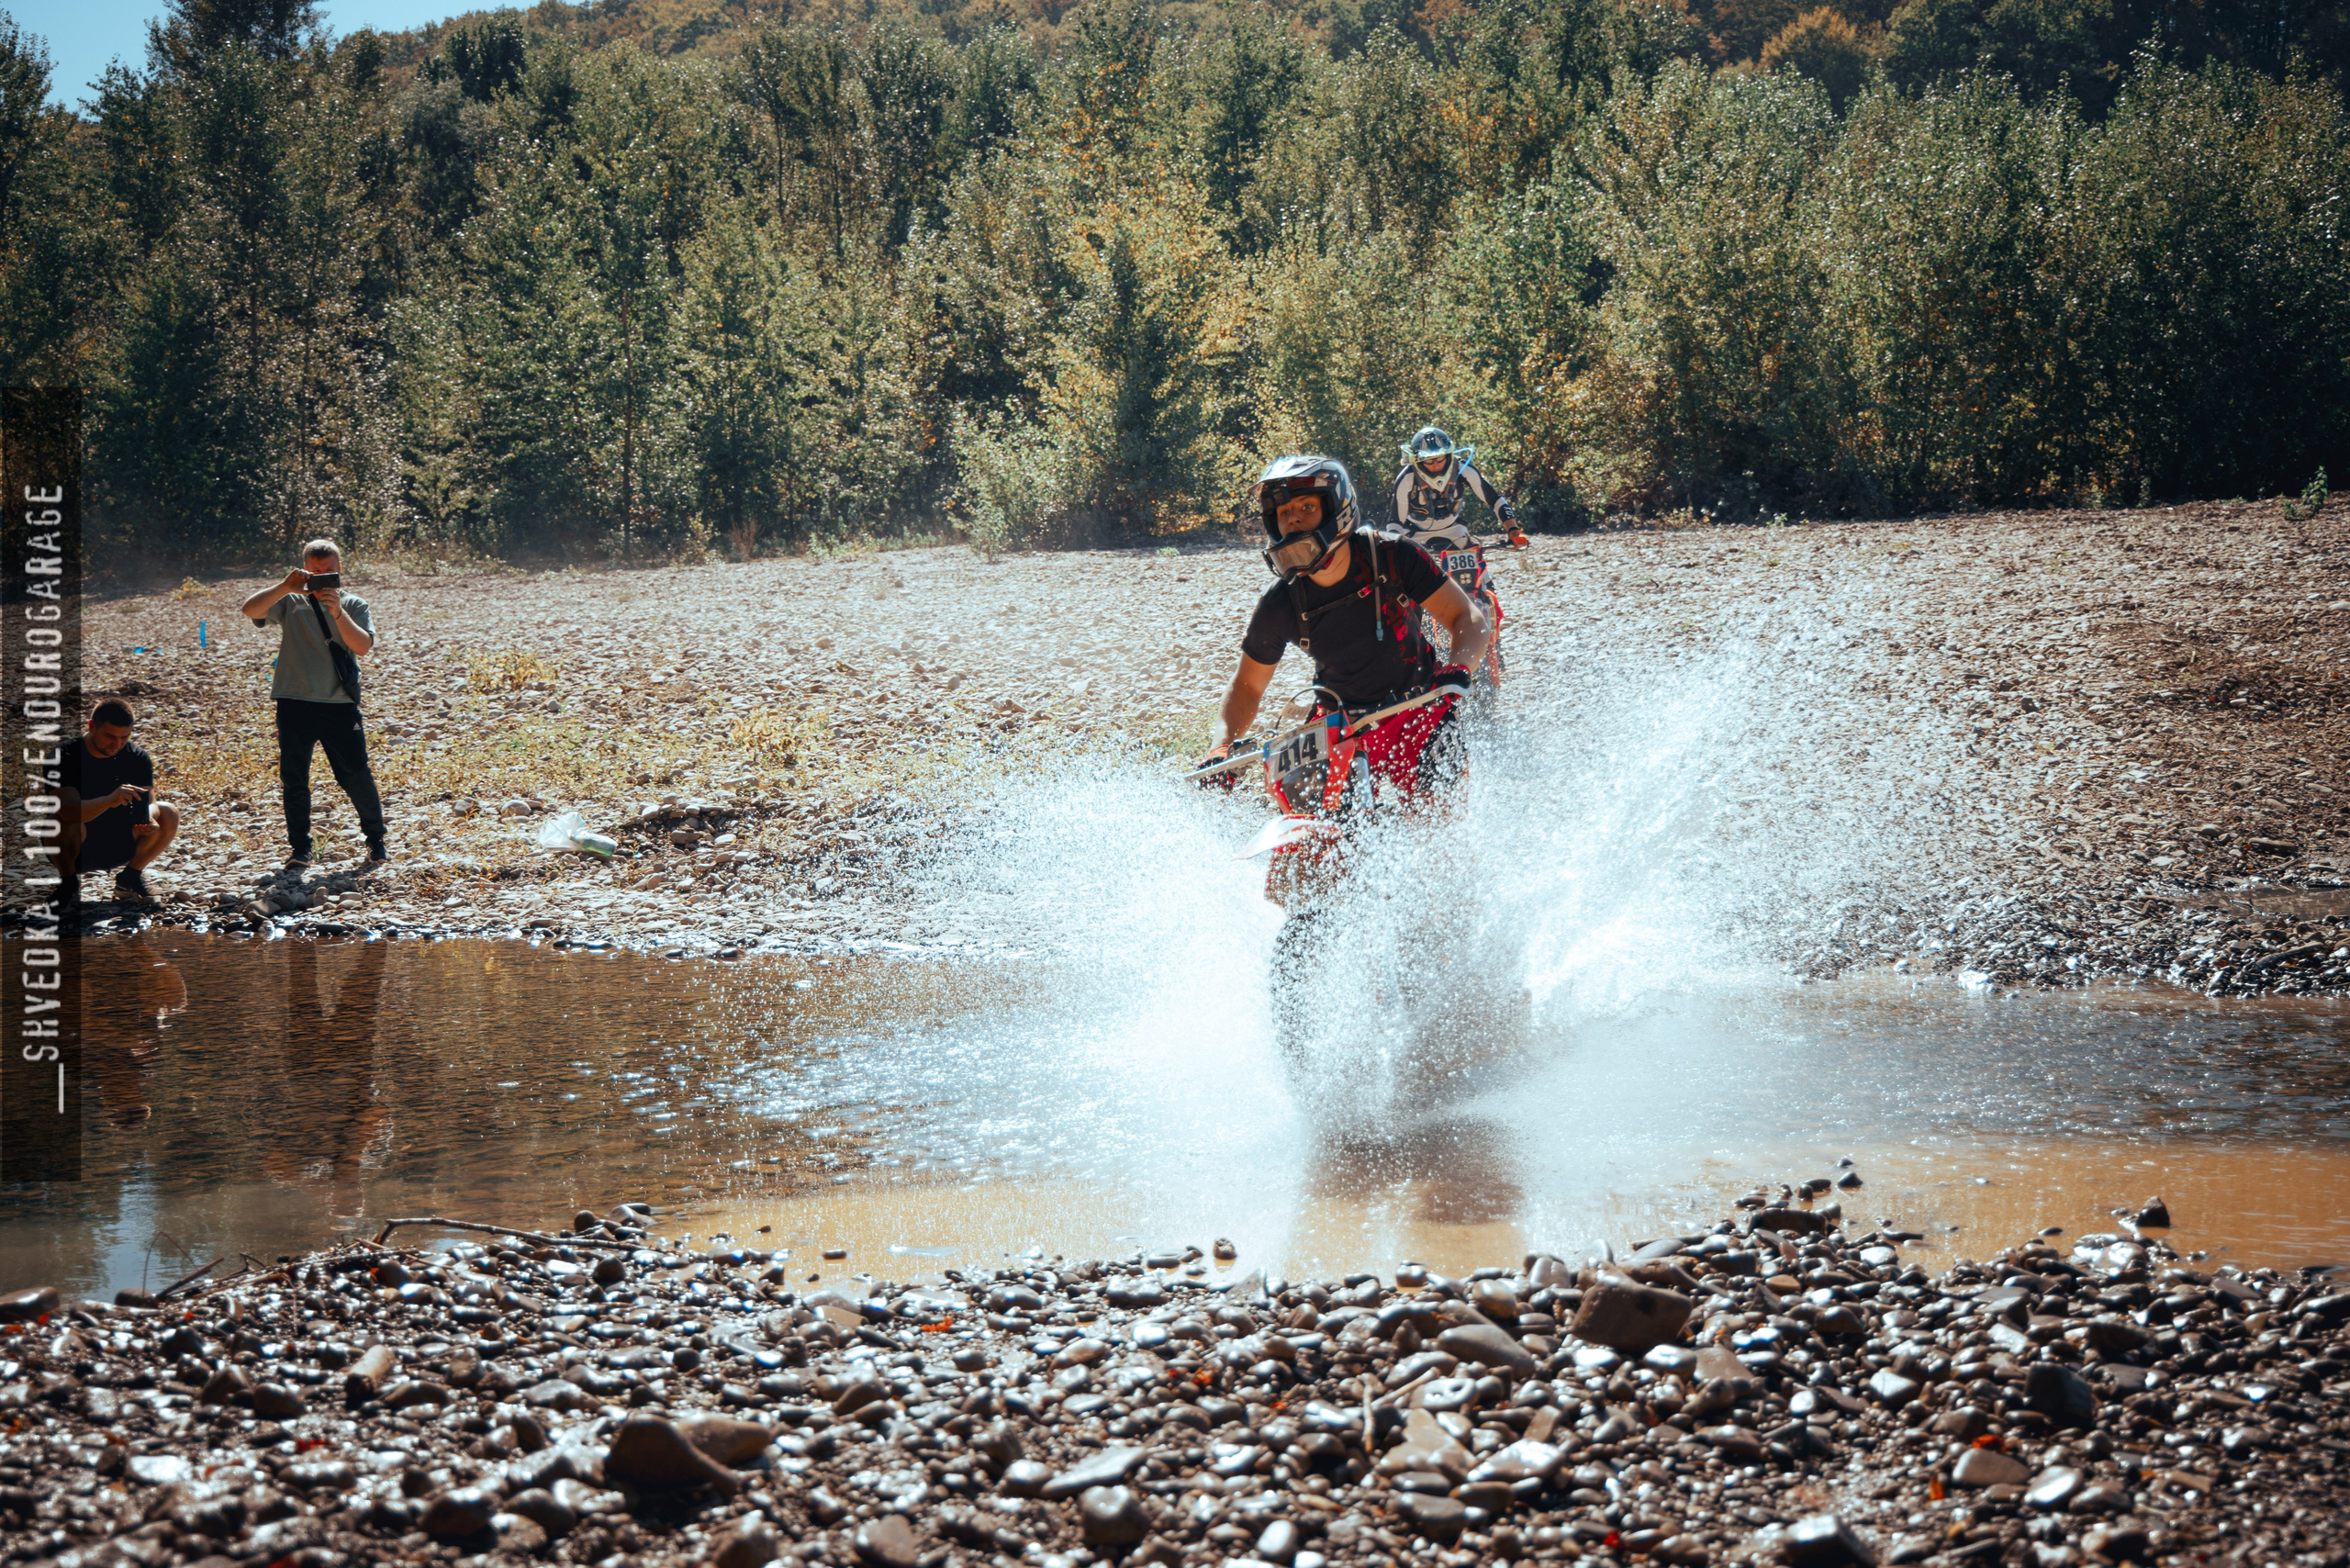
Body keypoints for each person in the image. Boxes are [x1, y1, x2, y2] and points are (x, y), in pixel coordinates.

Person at [1202, 454, 1490, 795]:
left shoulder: (1395, 555)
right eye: (1283, 513)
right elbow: (1248, 686)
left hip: (1420, 709)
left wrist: (1458, 669)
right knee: (1313, 832)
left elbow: (1467, 618)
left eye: (1306, 506)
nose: (1293, 519)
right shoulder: (1280, 602)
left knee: (1436, 824)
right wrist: (1221, 747)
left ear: (1337, 508)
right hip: (1336, 725)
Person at [239, 539, 387, 868]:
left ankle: (376, 839)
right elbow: (250, 610)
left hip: (337, 703)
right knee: (294, 778)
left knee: (355, 774)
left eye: (328, 572)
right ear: (304, 569)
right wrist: (285, 585)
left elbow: (362, 646)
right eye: (314, 572)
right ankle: (300, 849)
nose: (321, 578)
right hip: (293, 701)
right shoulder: (289, 601)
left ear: (340, 571)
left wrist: (337, 612)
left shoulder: (354, 604)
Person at [61, 699, 182, 902]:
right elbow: (67, 811)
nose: (116, 744)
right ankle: (67, 884)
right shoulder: (67, 755)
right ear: (91, 726)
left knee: (167, 811)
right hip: (78, 847)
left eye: (124, 737)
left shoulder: (136, 757)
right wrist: (108, 800)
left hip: (121, 840)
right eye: (109, 736)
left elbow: (150, 802)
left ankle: (130, 878)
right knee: (61, 820)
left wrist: (148, 819)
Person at [1389, 425, 1523, 552]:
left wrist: (1513, 530)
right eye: (1429, 460)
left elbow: (1495, 500)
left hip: (1455, 532)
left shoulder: (1463, 468)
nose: (1436, 465)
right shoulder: (1407, 478)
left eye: (1440, 458)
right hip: (1414, 535)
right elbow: (1396, 521)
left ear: (1448, 455)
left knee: (1479, 574)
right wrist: (1393, 546)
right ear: (1417, 460)